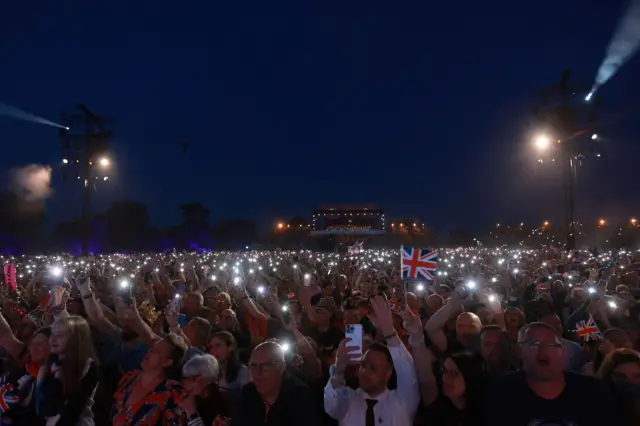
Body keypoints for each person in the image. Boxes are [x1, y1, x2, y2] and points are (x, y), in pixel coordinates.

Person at [482, 322, 621, 425]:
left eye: (551, 345)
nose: (542, 351)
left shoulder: (593, 392)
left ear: (563, 352)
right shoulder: (498, 391)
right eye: (533, 344)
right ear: (519, 351)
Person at [324, 296, 420, 426]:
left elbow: (406, 371)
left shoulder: (402, 402)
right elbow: (332, 407)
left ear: (388, 373)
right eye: (363, 365)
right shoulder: (349, 400)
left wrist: (388, 330)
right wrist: (339, 370)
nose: (364, 371)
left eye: (373, 368)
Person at [232, 341, 319, 426]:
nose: (258, 373)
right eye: (253, 366)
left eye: (265, 366)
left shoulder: (300, 397)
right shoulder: (247, 392)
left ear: (281, 367)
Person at [111, 333, 188, 426]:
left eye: (157, 351)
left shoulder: (172, 393)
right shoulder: (129, 378)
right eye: (152, 348)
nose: (150, 351)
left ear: (167, 362)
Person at [36, 315, 100, 426]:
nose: (53, 339)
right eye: (52, 334)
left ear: (76, 339)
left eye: (60, 335)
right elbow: (39, 406)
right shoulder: (46, 367)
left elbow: (73, 410)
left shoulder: (88, 367)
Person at [181, 354, 220, 426]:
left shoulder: (222, 405)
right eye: (184, 378)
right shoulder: (194, 399)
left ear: (207, 378)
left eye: (192, 378)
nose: (185, 384)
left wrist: (191, 411)